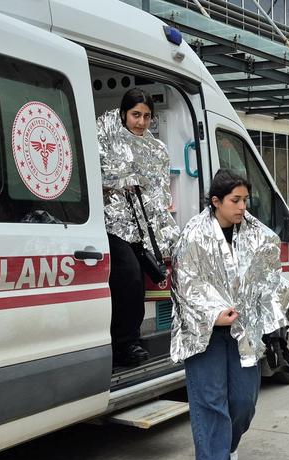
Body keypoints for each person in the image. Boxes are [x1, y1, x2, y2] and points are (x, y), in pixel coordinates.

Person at [170, 170, 289, 460]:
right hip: (204, 331)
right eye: (235, 200)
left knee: (243, 400)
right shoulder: (193, 236)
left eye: (245, 200)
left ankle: (228, 443)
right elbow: (185, 285)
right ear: (216, 202)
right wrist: (214, 315)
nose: (242, 207)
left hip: (244, 328)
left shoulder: (257, 235)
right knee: (210, 400)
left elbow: (271, 280)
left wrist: (276, 322)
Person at [96, 88, 179, 367]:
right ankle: (124, 343)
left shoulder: (157, 150)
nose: (141, 122)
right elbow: (93, 176)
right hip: (111, 224)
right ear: (123, 114)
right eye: (135, 115)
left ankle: (128, 339)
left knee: (137, 282)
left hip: (142, 228)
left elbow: (160, 194)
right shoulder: (106, 139)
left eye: (146, 116)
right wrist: (122, 181)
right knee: (129, 277)